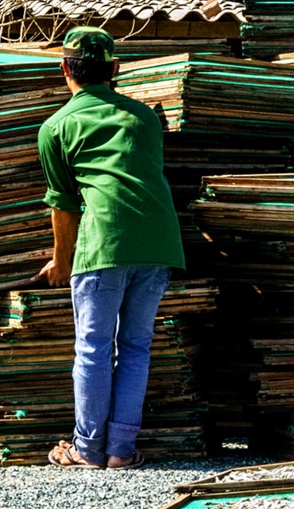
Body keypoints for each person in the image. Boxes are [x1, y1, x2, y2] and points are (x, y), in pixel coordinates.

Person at [38, 27, 185, 470]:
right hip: (159, 243)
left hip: (103, 243)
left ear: (64, 68)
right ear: (114, 69)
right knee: (136, 345)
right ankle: (121, 451)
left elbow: (63, 205)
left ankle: (86, 447)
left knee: (93, 347)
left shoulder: (57, 126)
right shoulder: (145, 118)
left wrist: (61, 261)